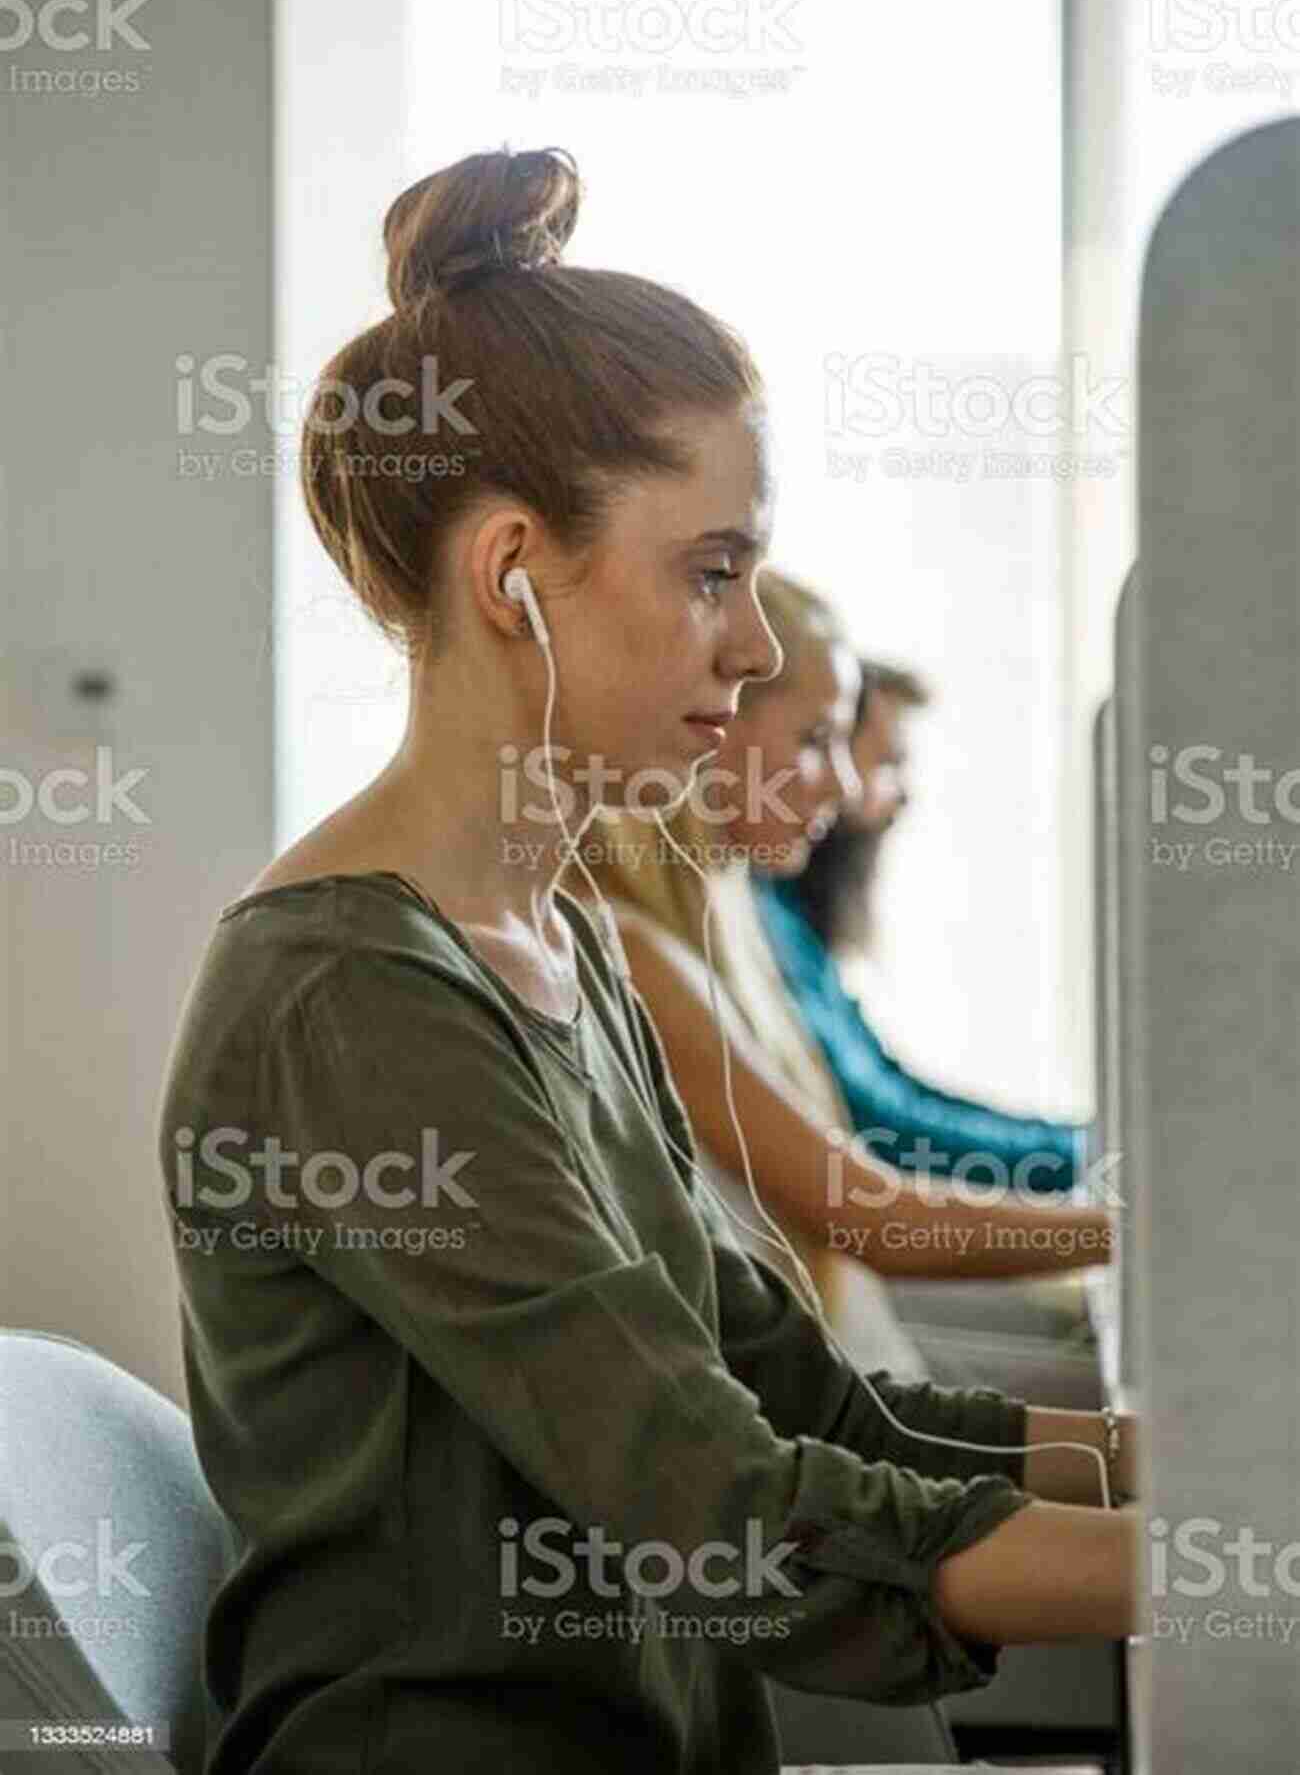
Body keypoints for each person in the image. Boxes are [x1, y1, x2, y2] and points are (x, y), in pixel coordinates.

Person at [156, 147, 1137, 1775]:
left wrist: (1201, 1468)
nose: (753, 648)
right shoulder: (346, 996)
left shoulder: (566, 951)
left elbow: (806, 1410)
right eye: (711, 573)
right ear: (516, 581)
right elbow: (727, 1506)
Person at [583, 571, 1113, 1338]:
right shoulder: (639, 957)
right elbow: (870, 1216)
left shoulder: (731, 931)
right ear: (713, 729)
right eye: (814, 740)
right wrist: (1135, 1229)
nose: (843, 781)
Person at [755, 656, 1092, 1197]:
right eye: (887, 764)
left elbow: (897, 1092)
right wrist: (1090, 1157)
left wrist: (1084, 1145)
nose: (902, 794)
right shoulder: (763, 919)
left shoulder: (790, 918)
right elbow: (883, 1124)